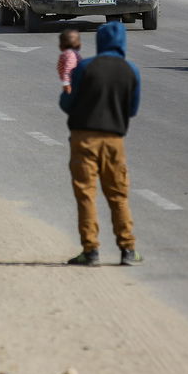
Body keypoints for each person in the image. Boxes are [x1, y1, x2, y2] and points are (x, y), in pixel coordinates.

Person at [58, 20, 142, 267]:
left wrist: (66, 91)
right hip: (114, 140)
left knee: (86, 194)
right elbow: (133, 109)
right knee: (118, 194)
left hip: (84, 138)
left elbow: (67, 104)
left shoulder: (85, 67)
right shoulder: (131, 70)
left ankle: (90, 250)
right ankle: (128, 249)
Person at [57, 27, 82, 92]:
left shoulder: (68, 54)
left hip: (73, 82)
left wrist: (66, 83)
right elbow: (69, 69)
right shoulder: (72, 54)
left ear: (60, 46)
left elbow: (67, 69)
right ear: (79, 45)